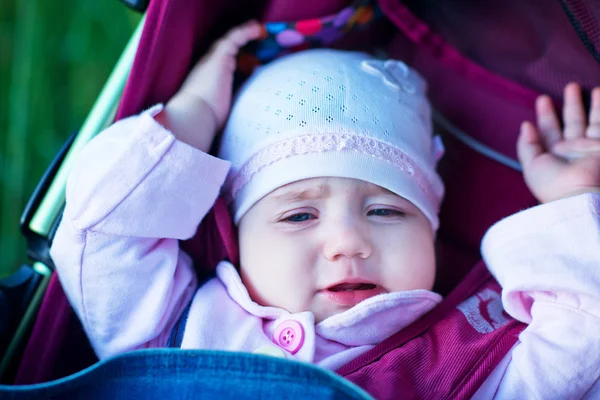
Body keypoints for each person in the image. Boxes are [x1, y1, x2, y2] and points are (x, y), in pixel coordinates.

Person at [50, 21, 600, 397]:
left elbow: (583, 338)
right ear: (236, 234)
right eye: (298, 216)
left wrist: (572, 202)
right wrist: (193, 116)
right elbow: (101, 228)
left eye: (386, 211)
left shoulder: (464, 362)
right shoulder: (172, 331)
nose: (348, 242)